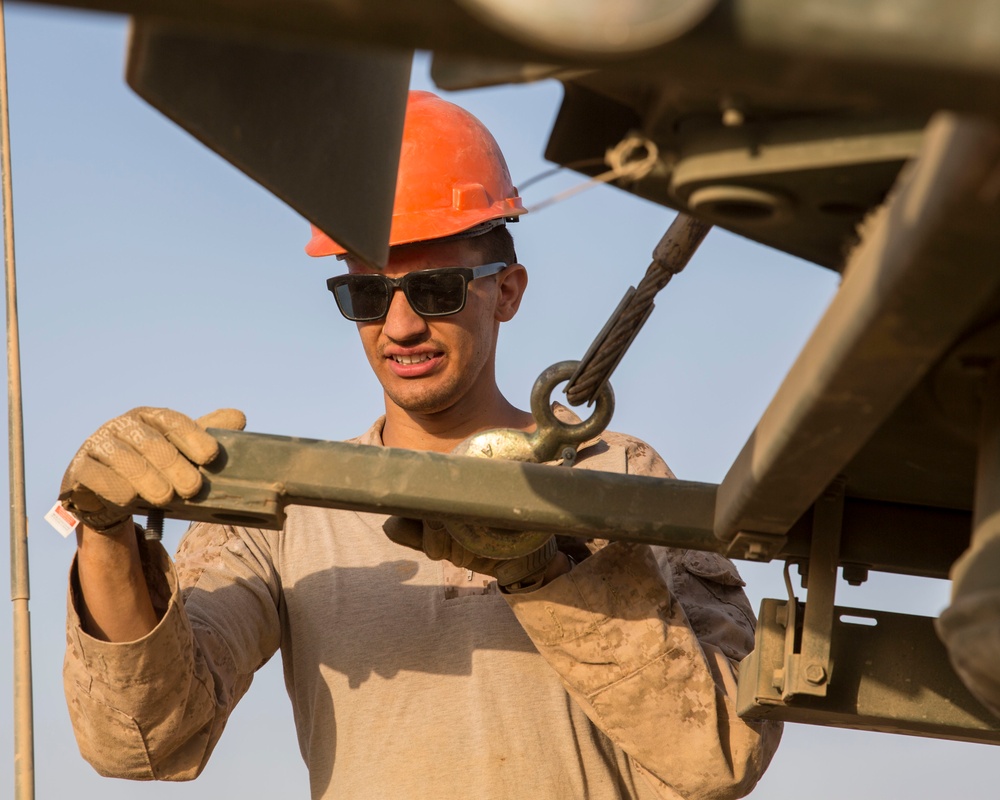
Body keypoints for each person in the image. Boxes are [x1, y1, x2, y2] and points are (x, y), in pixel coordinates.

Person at [59, 90, 781, 799]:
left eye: (436, 290)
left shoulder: (617, 477)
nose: (399, 327)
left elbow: (721, 753)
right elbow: (142, 737)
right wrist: (105, 535)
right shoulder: (298, 511)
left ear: (508, 291)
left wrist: (550, 573)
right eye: (367, 297)